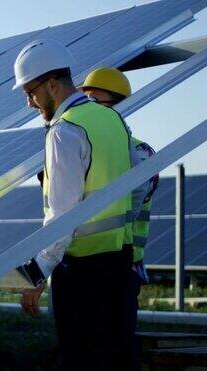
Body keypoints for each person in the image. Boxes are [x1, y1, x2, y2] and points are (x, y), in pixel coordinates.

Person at [12, 40, 139, 371]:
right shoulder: (111, 119)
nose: (29, 104)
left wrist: (36, 275)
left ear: (52, 85)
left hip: (82, 273)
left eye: (31, 93)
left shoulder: (65, 133)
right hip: (120, 266)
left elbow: (62, 218)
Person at [78, 67, 159, 284]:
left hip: (122, 260)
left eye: (94, 100)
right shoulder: (80, 146)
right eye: (84, 100)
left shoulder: (141, 152)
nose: (87, 107)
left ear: (120, 105)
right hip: (80, 257)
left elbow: (133, 198)